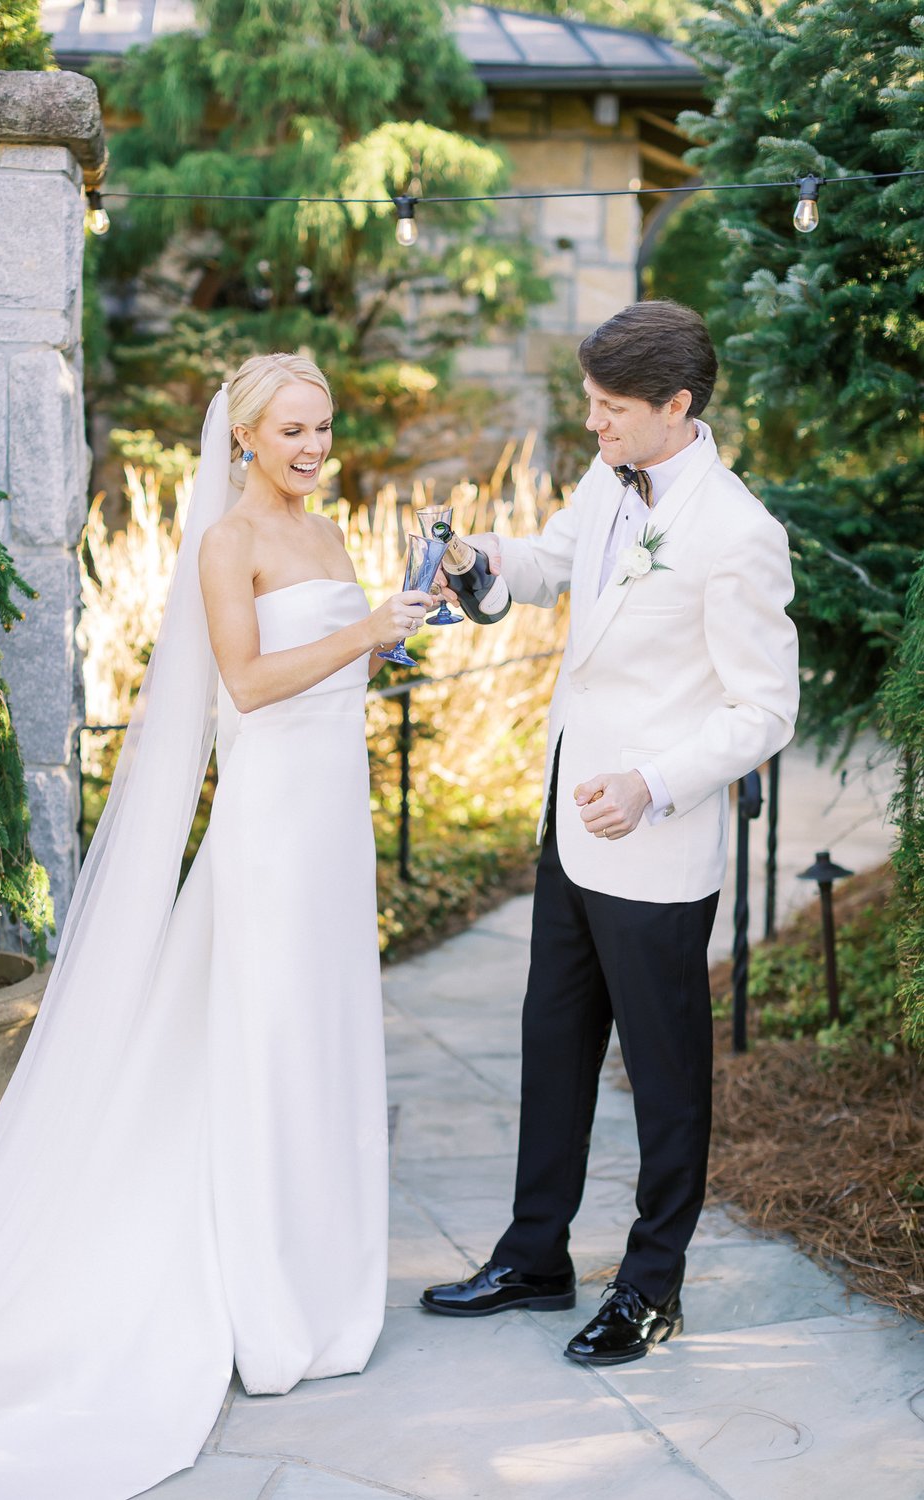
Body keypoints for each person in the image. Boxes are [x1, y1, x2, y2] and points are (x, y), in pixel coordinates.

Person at [0, 354, 432, 1498]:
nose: (313, 447)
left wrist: (390, 631)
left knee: (322, 1038)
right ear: (243, 436)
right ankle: (261, 1293)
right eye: (293, 430)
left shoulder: (328, 531)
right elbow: (246, 688)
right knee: (262, 1043)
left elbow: (337, 669)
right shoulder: (227, 544)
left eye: (324, 428)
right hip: (271, 830)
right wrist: (362, 637)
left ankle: (322, 1280)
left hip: (331, 819)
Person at [421, 301, 800, 1365]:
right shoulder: (606, 479)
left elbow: (765, 709)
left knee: (666, 1079)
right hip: (570, 824)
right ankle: (535, 1256)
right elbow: (549, 566)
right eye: (589, 402)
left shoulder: (739, 533)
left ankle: (651, 1287)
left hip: (656, 841)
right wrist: (481, 558)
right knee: (552, 1048)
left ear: (676, 407)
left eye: (612, 409)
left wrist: (652, 784)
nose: (593, 424)